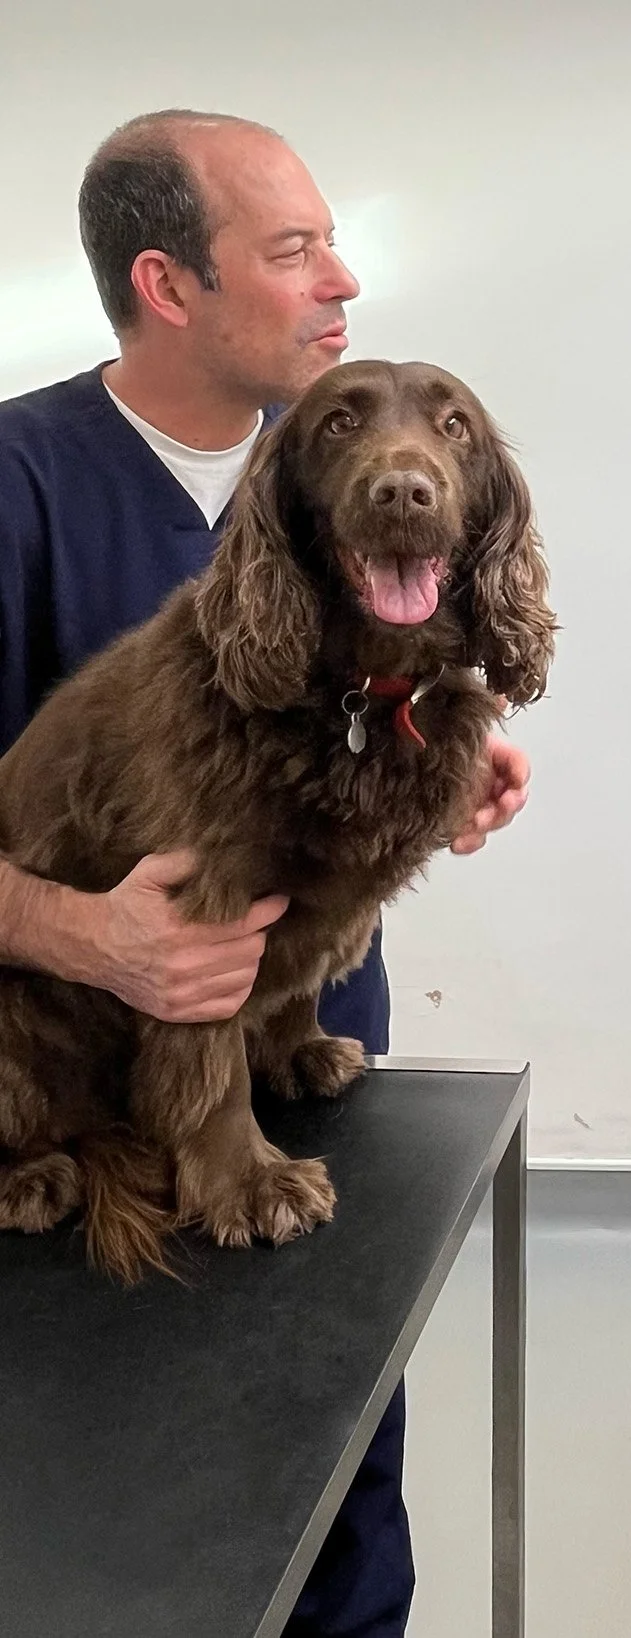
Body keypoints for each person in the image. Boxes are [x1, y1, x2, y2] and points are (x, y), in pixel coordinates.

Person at [0, 109, 530, 1638]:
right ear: (170, 284)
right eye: (295, 250)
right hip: (66, 1074)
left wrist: (445, 775)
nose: (340, 280)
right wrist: (89, 937)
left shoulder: (319, 485)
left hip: (294, 1066)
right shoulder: (20, 485)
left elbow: (353, 733)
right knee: (131, 1517)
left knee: (340, 1446)